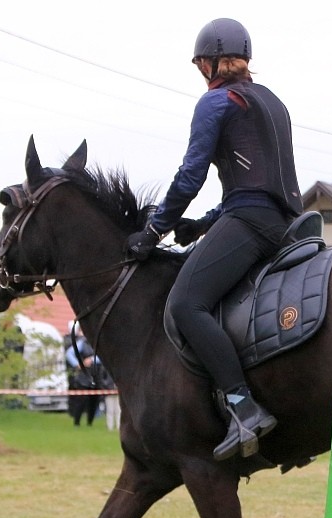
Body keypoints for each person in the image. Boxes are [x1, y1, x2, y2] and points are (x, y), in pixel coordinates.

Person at [124, 18, 302, 461]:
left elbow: (190, 175)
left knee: (186, 304)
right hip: (285, 222)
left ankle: (244, 406)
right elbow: (258, 182)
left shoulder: (217, 102)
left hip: (252, 221)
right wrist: (201, 224)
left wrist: (154, 229)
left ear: (207, 63)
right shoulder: (272, 102)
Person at [65, 323, 99, 427]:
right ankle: (77, 422)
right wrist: (78, 364)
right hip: (83, 376)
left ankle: (90, 422)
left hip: (96, 374)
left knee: (94, 401)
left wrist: (93, 360)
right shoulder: (82, 343)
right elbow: (69, 353)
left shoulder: (98, 343)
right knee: (81, 400)